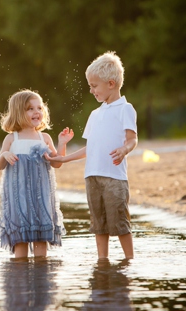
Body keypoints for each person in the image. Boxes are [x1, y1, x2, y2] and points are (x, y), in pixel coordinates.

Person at [45, 51, 138, 259]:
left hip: (114, 178)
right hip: (92, 176)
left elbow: (132, 139)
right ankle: (102, 262)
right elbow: (91, 148)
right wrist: (63, 158)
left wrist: (124, 149)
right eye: (90, 86)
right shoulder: (95, 114)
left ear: (111, 84)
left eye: (94, 86)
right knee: (98, 225)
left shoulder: (126, 109)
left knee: (120, 222)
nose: (91, 90)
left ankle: (129, 261)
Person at [0, 89, 72, 258]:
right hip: (19, 200)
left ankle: (41, 278)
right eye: (30, 108)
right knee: (20, 242)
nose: (36, 112)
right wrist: (4, 155)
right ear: (18, 113)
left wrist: (62, 144)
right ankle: (20, 279)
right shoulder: (11, 139)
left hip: (41, 199)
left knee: (40, 241)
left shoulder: (44, 138)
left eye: (39, 108)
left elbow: (57, 162)